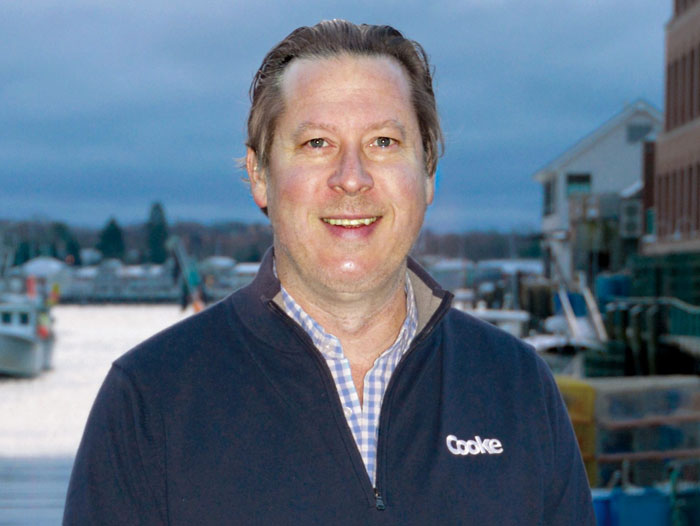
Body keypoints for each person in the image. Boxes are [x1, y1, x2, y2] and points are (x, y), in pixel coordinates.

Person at [63, 20, 595, 525]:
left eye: (383, 143)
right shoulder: (150, 400)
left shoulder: (518, 387)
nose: (352, 178)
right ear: (260, 175)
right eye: (317, 143)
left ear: (427, 171)